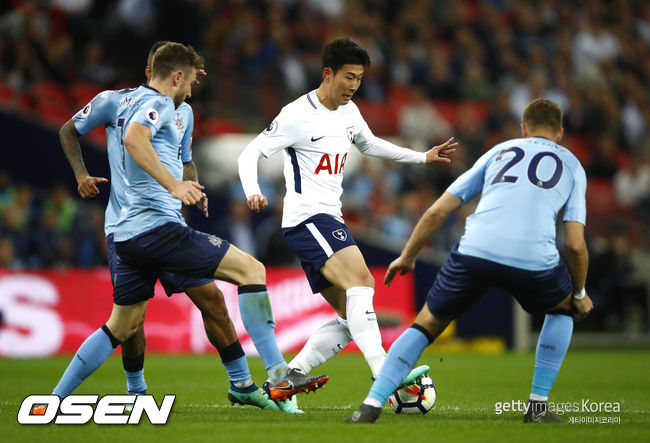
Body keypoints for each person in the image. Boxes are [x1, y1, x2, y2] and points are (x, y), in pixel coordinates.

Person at [52, 42, 327, 413]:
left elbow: (183, 160)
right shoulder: (151, 103)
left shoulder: (181, 112)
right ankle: (278, 375)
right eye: (192, 81)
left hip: (132, 234)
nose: (193, 91)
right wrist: (172, 186)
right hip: (155, 229)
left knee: (125, 323)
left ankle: (54, 399)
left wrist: (190, 186)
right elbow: (131, 138)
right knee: (251, 270)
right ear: (176, 75)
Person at [238, 38, 457, 408]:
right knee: (363, 281)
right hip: (308, 218)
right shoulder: (296, 115)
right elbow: (250, 152)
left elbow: (369, 144)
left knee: (350, 317)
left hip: (326, 219)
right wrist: (252, 190)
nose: (354, 85)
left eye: (359, 78)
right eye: (349, 77)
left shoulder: (350, 112)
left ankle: (288, 379)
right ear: (328, 73)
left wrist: (421, 157)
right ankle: (383, 371)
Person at [346, 98, 594, 424]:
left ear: (523, 129)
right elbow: (574, 244)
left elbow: (437, 211)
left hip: (476, 250)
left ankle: (371, 404)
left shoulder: (499, 152)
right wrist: (579, 293)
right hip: (534, 258)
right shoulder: (572, 165)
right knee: (563, 309)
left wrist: (408, 256)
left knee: (425, 324)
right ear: (560, 133)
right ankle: (537, 406)